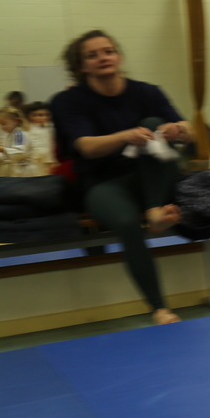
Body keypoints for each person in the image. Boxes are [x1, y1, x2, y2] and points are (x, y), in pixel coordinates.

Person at [50, 30, 188, 326]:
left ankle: (154, 212)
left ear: (119, 57)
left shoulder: (148, 92)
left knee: (154, 123)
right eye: (92, 55)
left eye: (108, 51)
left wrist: (179, 129)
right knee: (126, 223)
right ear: (81, 66)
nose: (103, 58)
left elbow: (189, 131)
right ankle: (159, 308)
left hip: (152, 175)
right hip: (102, 182)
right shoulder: (67, 101)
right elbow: (86, 147)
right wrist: (126, 136)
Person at [23, 102, 57, 175]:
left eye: (47, 115)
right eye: (38, 115)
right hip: (35, 162)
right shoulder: (28, 129)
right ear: (29, 116)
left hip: (51, 159)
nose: (44, 118)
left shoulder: (51, 128)